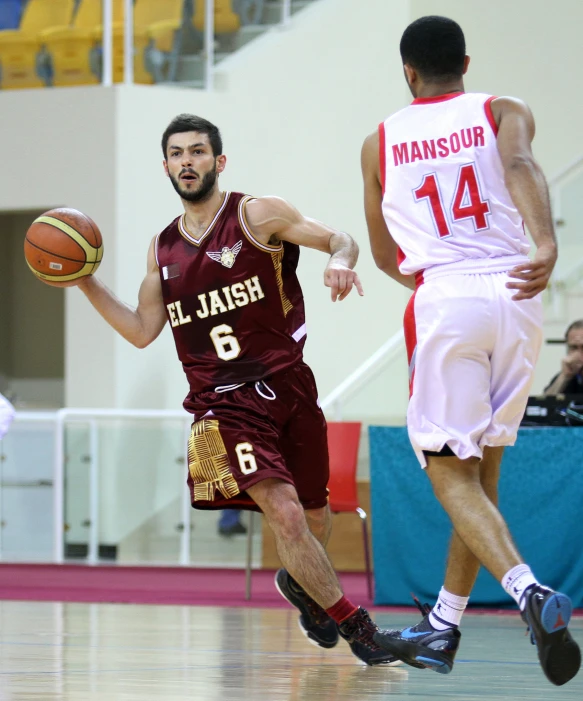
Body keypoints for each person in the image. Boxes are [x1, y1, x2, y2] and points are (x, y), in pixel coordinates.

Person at [76, 113, 397, 666]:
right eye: (176, 154)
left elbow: (338, 237)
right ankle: (363, 631)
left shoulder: (258, 215)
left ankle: (302, 586)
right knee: (287, 514)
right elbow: (140, 331)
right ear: (166, 166)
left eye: (197, 151)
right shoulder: (162, 250)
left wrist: (342, 260)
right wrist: (84, 279)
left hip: (290, 385)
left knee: (315, 514)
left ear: (218, 161)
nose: (186, 162)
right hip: (223, 403)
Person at [361, 15, 580, 685]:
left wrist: (443, 282)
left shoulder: (378, 143)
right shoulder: (501, 108)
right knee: (479, 472)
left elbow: (383, 254)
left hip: (446, 295)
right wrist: (543, 244)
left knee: (445, 473)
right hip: (517, 294)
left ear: (407, 72)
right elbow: (519, 164)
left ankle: (528, 591)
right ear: (465, 61)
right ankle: (443, 627)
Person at [544, 320, 583, 395]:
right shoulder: (567, 375)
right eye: (574, 348)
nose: (579, 354)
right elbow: (544, 404)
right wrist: (563, 376)